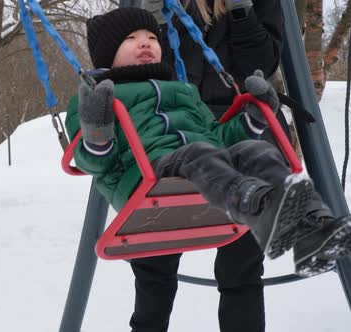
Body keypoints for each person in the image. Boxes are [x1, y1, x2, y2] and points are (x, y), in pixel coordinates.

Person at [64, 6, 351, 332]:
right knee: (157, 272)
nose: (144, 43)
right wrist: (97, 133)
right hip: (150, 176)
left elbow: (217, 136)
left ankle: (311, 224)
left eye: (149, 37)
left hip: (202, 164)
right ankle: (250, 199)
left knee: (253, 151)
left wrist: (252, 121)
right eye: (130, 39)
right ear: (108, 54)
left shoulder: (182, 90)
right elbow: (93, 161)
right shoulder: (99, 97)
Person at [132, 1, 285, 331]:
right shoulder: (163, 8)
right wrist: (155, 25)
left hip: (239, 132)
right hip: (171, 132)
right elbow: (139, 73)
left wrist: (242, 11)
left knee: (241, 266)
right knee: (154, 262)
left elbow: (261, 65)